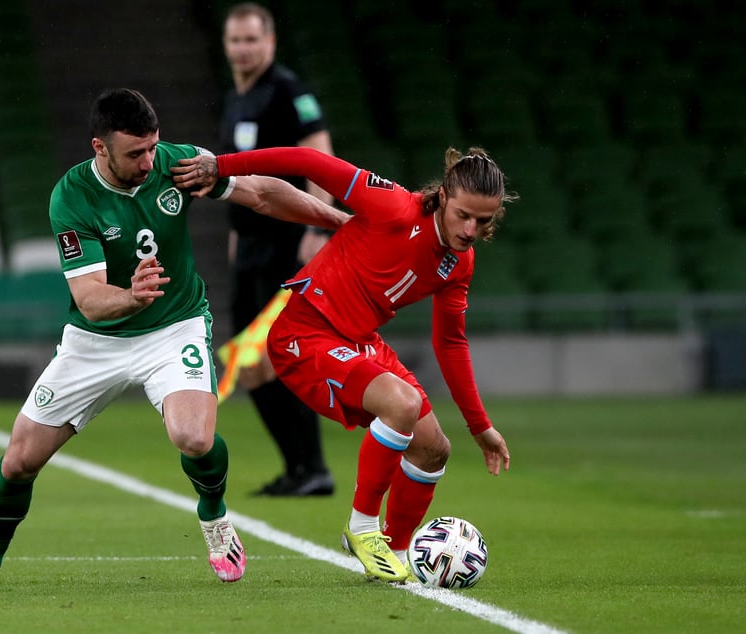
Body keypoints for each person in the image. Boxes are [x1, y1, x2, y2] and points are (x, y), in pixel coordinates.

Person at [0, 88, 348, 586]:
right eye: (135, 153)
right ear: (99, 147)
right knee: (19, 460)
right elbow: (89, 299)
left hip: (174, 325)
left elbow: (260, 193)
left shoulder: (177, 164)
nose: (149, 162)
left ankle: (214, 516)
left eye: (152, 147)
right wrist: (131, 296)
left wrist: (340, 221)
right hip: (95, 340)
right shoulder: (72, 197)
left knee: (193, 436)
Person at [172, 146, 513, 582]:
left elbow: (449, 341)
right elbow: (307, 161)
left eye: (483, 221)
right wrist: (221, 165)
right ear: (443, 196)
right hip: (305, 333)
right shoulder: (392, 204)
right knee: (402, 403)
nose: (470, 230)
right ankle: (362, 527)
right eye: (464, 215)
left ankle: (394, 550)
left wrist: (479, 426)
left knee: (433, 450)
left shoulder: (459, 263)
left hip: (358, 341)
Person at [218, 2, 337, 497]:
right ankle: (298, 469)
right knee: (246, 363)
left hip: (287, 243)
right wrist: (235, 235)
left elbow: (321, 158)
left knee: (282, 355)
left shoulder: (289, 91)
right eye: (236, 40)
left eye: (252, 39)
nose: (243, 49)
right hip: (249, 248)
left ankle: (314, 468)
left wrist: (317, 228)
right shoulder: (235, 99)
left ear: (270, 42)